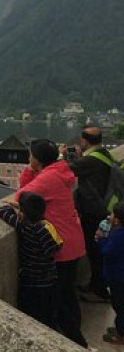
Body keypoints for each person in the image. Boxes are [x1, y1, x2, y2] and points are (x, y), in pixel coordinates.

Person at [17, 138, 88, 347]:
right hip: (72, 238)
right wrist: (32, 170)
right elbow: (30, 189)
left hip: (60, 244)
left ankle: (77, 343)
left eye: (31, 156)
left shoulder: (48, 178)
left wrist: (29, 170)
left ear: (36, 159)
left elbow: (22, 196)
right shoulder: (59, 170)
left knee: (60, 299)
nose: (29, 158)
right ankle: (76, 335)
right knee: (68, 293)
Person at [0, 191, 61, 328]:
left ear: (23, 213)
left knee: (31, 317)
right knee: (47, 316)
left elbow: (1, 211)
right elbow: (56, 247)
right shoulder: (46, 226)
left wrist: (14, 206)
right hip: (49, 280)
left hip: (31, 281)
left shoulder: (25, 227)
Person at [70, 125, 115, 301]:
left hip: (93, 212)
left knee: (95, 250)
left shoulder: (90, 161)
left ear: (84, 141)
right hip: (103, 210)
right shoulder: (104, 154)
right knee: (98, 250)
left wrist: (61, 154)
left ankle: (99, 290)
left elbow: (67, 169)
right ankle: (97, 285)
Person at [98, 204, 124, 345]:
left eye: (113, 215)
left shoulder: (119, 235)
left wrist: (101, 239)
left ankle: (120, 334)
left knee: (119, 305)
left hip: (118, 277)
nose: (110, 216)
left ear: (117, 220)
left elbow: (108, 252)